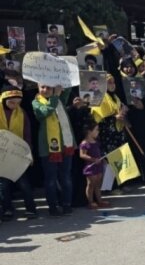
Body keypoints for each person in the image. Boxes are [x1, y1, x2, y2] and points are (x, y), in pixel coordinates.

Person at [32, 84, 75, 217]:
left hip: (65, 144)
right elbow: (45, 112)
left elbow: (67, 87)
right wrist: (55, 95)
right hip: (48, 148)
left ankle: (67, 204)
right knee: (50, 179)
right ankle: (53, 206)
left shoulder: (59, 99)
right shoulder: (36, 102)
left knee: (65, 177)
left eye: (49, 87)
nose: (45, 90)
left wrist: (60, 83)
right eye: (42, 87)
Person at [0, 86, 37, 220]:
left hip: (17, 155)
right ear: (4, 100)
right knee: (3, 185)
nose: (15, 105)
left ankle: (31, 209)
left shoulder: (22, 114)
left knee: (24, 183)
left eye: (18, 103)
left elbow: (27, 135)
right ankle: (7, 209)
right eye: (12, 102)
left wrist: (29, 153)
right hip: (1, 156)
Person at [91, 75, 129, 192]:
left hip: (117, 131)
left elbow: (118, 109)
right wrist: (114, 117)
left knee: (119, 159)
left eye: (113, 82)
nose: (112, 84)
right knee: (109, 160)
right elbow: (98, 118)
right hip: (107, 133)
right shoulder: (99, 96)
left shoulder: (115, 97)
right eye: (109, 82)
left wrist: (123, 112)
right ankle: (109, 188)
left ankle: (120, 184)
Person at [78, 121, 110, 209]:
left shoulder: (96, 142)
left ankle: (100, 201)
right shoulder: (84, 143)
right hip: (90, 167)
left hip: (98, 166)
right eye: (96, 130)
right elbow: (82, 155)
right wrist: (93, 159)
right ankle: (90, 202)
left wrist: (102, 160)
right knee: (91, 184)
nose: (98, 131)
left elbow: (99, 152)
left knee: (98, 185)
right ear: (89, 131)